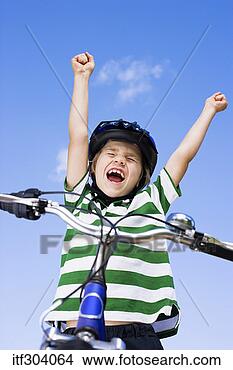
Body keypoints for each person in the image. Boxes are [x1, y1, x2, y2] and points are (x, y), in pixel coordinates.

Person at [46, 52, 228, 349]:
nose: (120, 160)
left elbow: (182, 156)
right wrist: (81, 78)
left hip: (137, 334)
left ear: (141, 176)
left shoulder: (151, 201)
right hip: (74, 330)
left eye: (131, 159)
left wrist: (208, 110)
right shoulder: (78, 198)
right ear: (92, 166)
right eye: (111, 154)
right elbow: (78, 136)